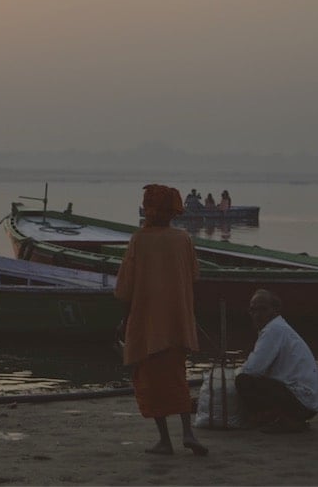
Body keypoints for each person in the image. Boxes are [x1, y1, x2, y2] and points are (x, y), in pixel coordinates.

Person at [114, 184, 207, 457]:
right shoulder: (183, 239)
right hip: (177, 323)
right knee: (178, 378)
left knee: (150, 381)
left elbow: (125, 290)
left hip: (146, 325)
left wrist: (125, 321)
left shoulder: (139, 240)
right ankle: (188, 433)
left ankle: (165, 440)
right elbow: (193, 277)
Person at [236, 289, 318, 433]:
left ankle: (283, 419)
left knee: (243, 381)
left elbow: (252, 370)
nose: (257, 315)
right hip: (309, 402)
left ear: (275, 310)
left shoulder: (273, 330)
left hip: (301, 402)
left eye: (263, 309)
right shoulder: (279, 327)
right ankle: (282, 418)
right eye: (253, 310)